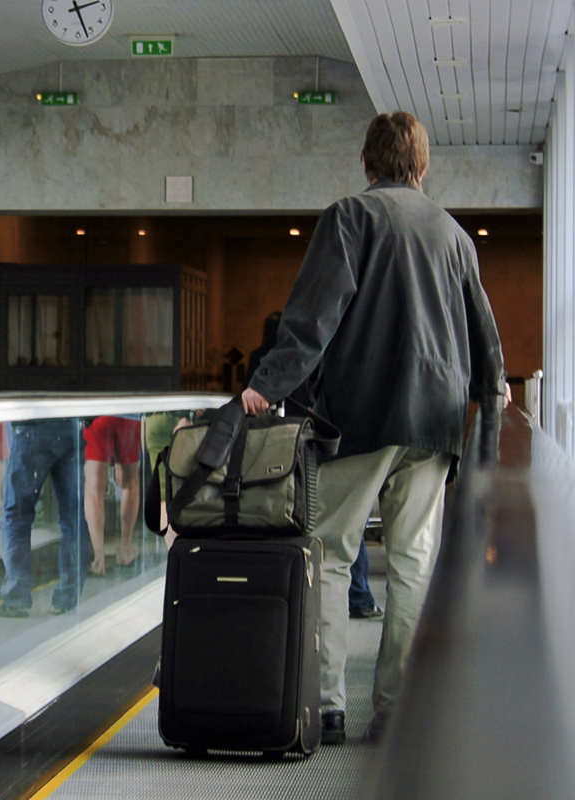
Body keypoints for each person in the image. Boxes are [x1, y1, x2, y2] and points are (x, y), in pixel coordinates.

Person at [241, 111, 508, 745]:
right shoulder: (454, 236)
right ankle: (396, 712)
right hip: (436, 420)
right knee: (414, 563)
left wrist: (267, 384)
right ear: (423, 165)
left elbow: (313, 318)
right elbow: (484, 333)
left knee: (332, 554)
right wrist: (491, 389)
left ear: (367, 163)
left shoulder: (350, 218)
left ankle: (327, 704)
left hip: (360, 416)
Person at [0, 418, 89, 618]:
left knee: (16, 514)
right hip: (70, 426)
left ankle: (16, 598)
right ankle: (67, 598)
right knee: (73, 517)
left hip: (32, 427)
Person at [83, 415, 141, 575]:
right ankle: (125, 551)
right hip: (129, 415)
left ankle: (98, 560)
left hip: (98, 415)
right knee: (130, 483)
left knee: (94, 487)